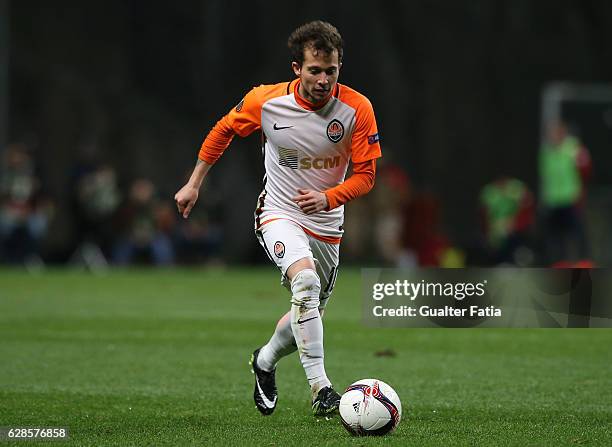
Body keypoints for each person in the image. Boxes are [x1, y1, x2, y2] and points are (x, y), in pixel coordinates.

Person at [174, 21, 381, 416]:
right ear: (296, 69)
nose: (323, 80)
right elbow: (223, 130)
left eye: (331, 71)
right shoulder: (266, 102)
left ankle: (264, 360)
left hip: (326, 224)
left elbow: (366, 176)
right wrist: (194, 182)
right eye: (314, 70)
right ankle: (322, 389)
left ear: (340, 67)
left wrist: (328, 197)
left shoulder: (357, 109)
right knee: (303, 282)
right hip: (278, 213)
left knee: (308, 309)